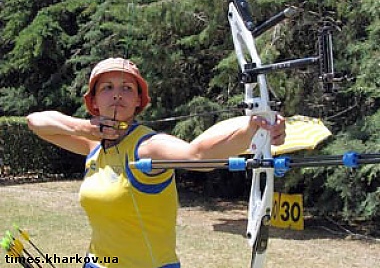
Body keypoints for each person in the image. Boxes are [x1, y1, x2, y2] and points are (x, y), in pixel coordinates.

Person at [27, 57, 285, 268]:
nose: (117, 95)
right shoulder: (93, 145)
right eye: (107, 87)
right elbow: (36, 122)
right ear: (93, 101)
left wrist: (254, 126)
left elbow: (198, 156)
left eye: (127, 88)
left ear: (139, 100)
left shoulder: (147, 147)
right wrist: (84, 127)